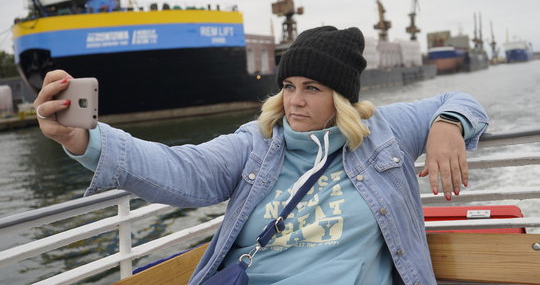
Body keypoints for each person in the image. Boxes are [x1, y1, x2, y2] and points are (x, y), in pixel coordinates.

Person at [34, 26, 488, 285]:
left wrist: (448, 124)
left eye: (313, 89)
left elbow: (463, 98)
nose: (294, 101)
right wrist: (84, 140)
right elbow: (184, 170)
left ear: (343, 98)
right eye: (289, 86)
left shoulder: (381, 134)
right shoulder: (256, 142)